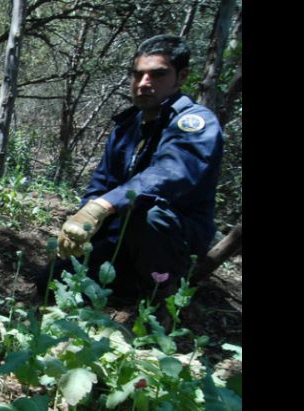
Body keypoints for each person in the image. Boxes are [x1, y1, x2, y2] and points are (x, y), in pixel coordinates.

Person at [35, 34, 223, 303]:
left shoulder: (195, 123)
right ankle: (128, 288)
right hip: (120, 241)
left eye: (157, 74)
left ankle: (161, 292)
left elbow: (171, 173)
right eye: (138, 74)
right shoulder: (127, 126)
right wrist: (85, 219)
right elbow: (101, 184)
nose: (144, 83)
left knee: (148, 212)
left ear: (181, 77)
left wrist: (102, 206)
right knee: (51, 283)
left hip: (172, 241)